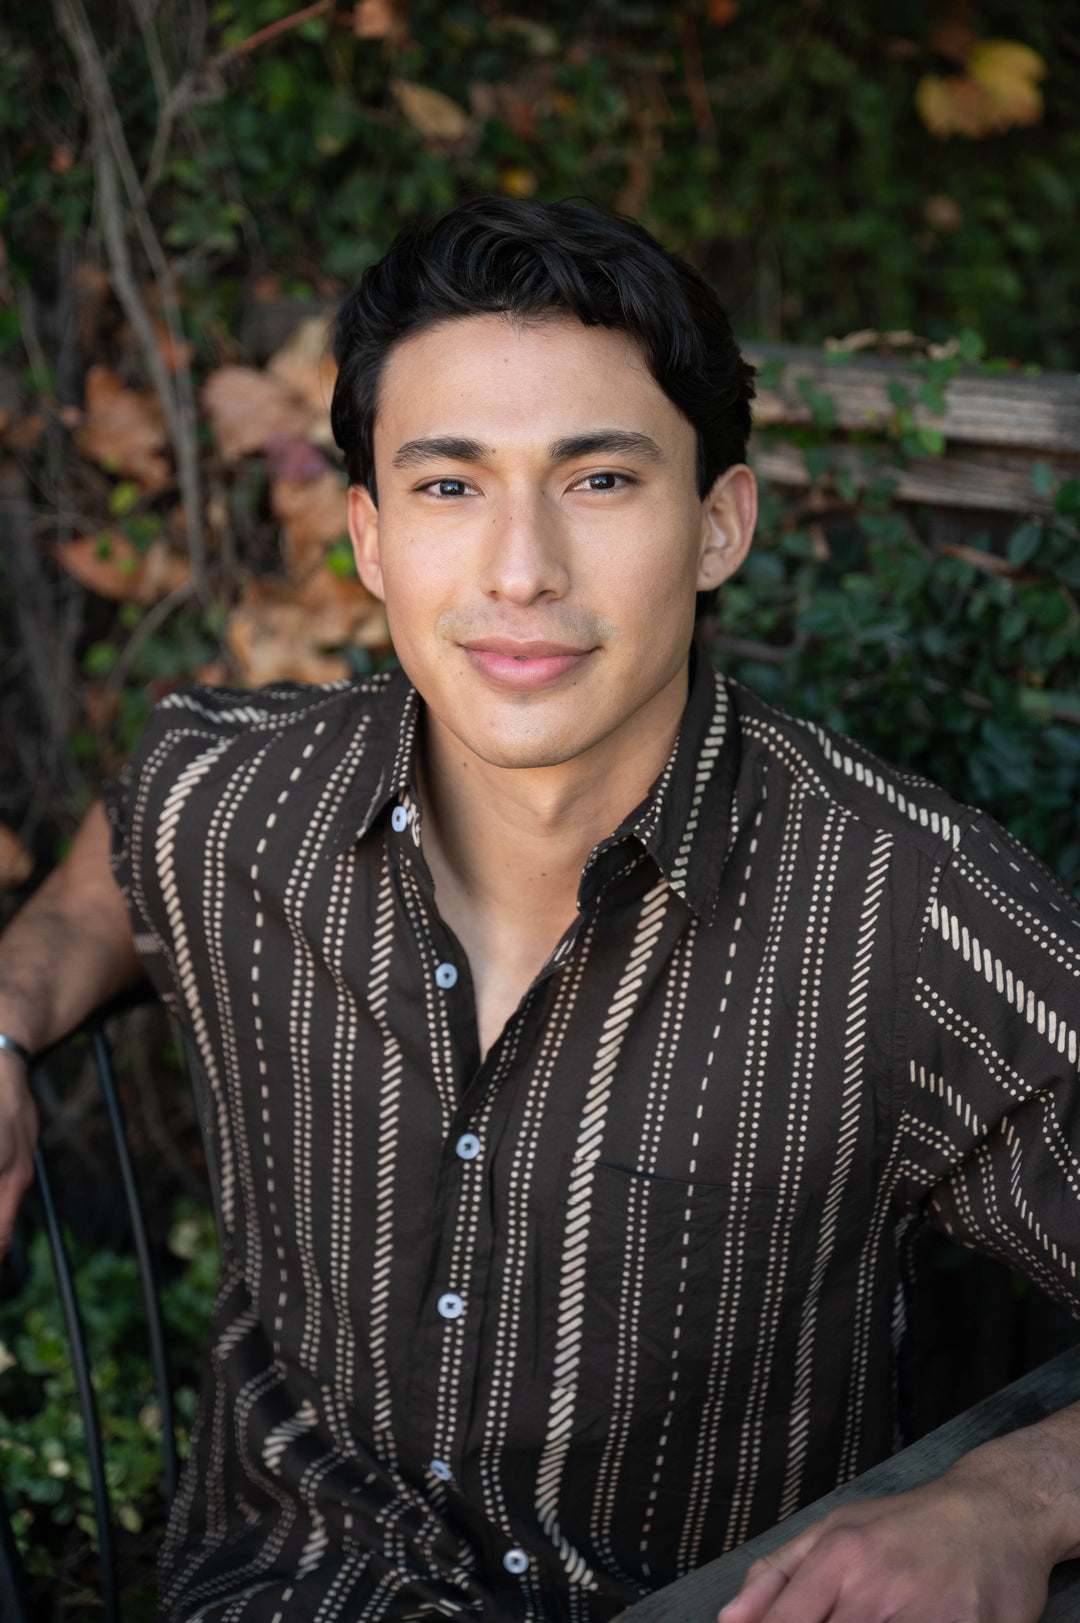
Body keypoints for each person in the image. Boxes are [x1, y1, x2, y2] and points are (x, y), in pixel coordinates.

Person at [0, 196, 1079, 1623]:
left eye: (599, 482)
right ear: (372, 538)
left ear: (718, 523)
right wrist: (11, 1011)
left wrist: (1008, 1502)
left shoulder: (906, 916)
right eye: (451, 487)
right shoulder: (238, 805)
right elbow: (115, 863)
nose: (520, 571)